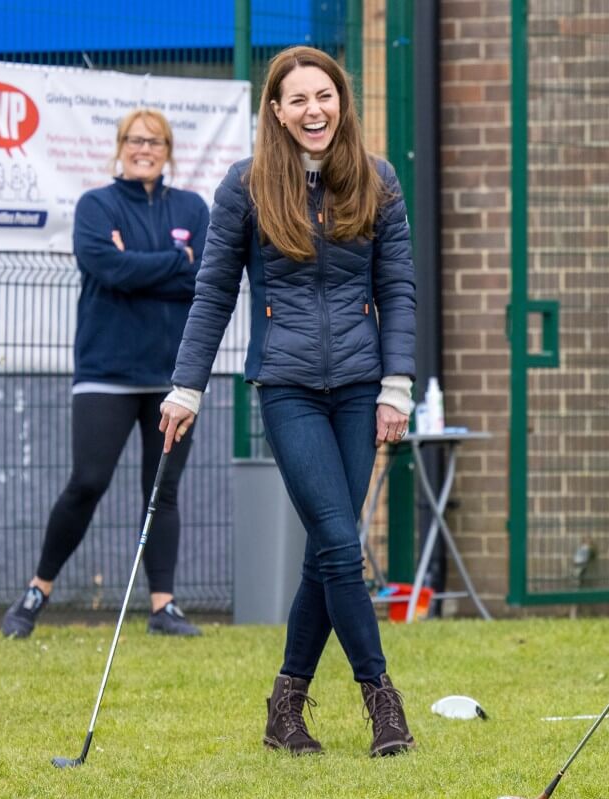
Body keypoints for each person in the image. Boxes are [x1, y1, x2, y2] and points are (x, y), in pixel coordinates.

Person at [158, 46, 418, 758]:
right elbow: (212, 292)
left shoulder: (379, 180)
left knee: (324, 553)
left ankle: (286, 708)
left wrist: (397, 385)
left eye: (325, 97)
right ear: (276, 111)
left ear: (342, 103)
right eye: (298, 99)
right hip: (288, 387)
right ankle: (384, 704)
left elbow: (398, 289)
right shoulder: (244, 187)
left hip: (363, 389)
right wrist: (186, 386)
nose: (314, 110)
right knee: (339, 541)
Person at [1, 109, 210, 639]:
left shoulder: (193, 207)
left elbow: (204, 278)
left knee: (161, 489)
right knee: (87, 482)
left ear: (169, 149)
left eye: (156, 141)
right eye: (136, 140)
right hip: (105, 373)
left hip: (172, 379)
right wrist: (173, 259)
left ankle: (163, 607)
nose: (146, 149)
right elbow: (107, 269)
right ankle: (37, 591)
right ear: (120, 146)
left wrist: (146, 265)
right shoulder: (97, 205)